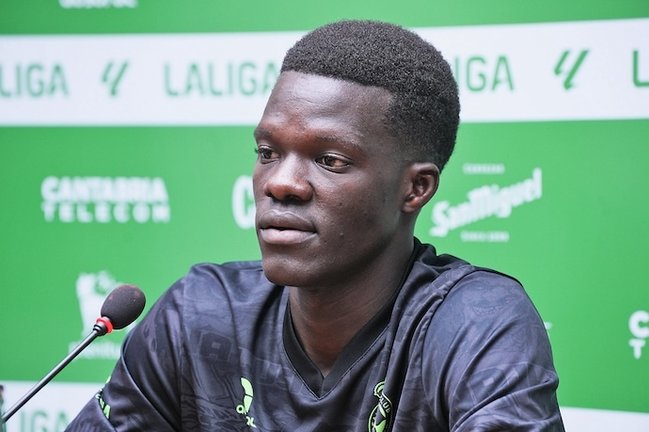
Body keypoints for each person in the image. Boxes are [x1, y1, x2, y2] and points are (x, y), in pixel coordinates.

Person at [66, 20, 564, 431]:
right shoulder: (201, 313)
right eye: (267, 152)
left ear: (415, 189)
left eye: (329, 160)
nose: (280, 183)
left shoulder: (475, 323)